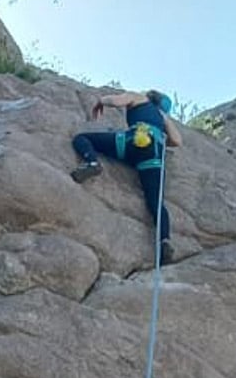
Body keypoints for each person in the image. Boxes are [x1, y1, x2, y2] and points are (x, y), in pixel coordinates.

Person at [71, 89, 182, 264]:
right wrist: (159, 133)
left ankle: (92, 163)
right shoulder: (162, 117)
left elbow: (116, 101)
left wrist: (101, 101)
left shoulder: (139, 98)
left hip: (131, 143)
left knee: (82, 138)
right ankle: (164, 241)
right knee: (156, 203)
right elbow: (177, 141)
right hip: (152, 156)